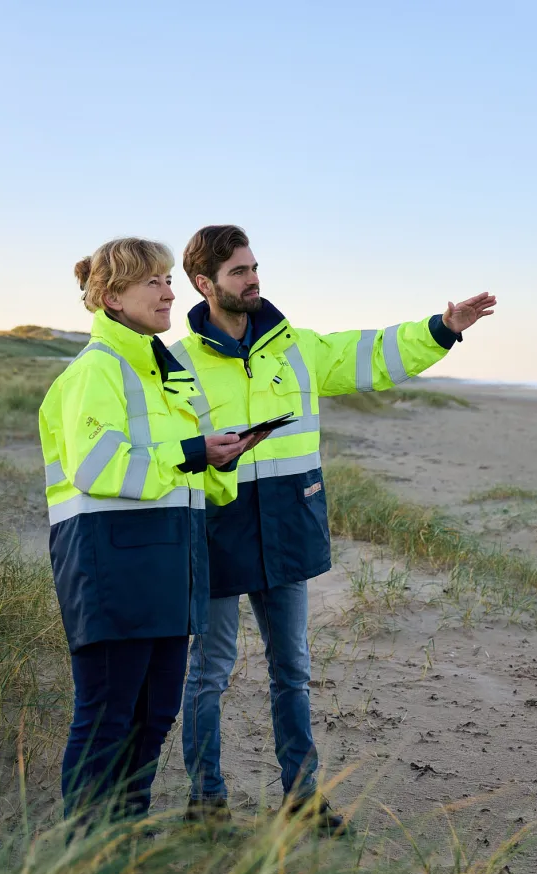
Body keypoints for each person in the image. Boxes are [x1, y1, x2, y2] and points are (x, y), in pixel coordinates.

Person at [172, 224, 497, 833]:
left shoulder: (297, 347)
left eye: (254, 266)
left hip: (288, 526)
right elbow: (164, 443)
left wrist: (441, 328)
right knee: (209, 671)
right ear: (204, 283)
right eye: (238, 271)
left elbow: (371, 354)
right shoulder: (179, 363)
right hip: (214, 531)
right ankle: (206, 803)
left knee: (291, 667)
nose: (253, 279)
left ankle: (302, 800)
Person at [39, 237, 267, 820]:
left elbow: (186, 478)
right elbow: (97, 467)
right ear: (113, 297)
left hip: (170, 566)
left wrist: (223, 458)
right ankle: (88, 859)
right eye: (155, 283)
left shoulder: (166, 372)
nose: (170, 293)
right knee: (107, 718)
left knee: (156, 714)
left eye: (169, 280)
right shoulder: (96, 370)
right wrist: (192, 452)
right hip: (110, 566)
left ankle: (128, 841)